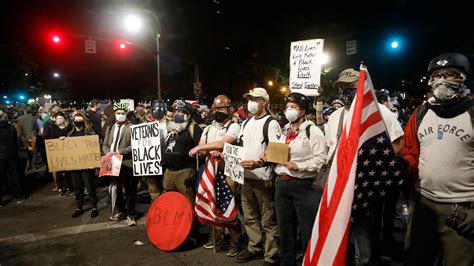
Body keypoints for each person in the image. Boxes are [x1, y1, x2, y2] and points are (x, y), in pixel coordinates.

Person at [401, 52, 474, 265]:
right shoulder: (421, 113)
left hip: (461, 209)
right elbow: (411, 153)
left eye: (450, 74)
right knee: (416, 259)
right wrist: (402, 165)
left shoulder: (471, 113)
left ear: (463, 77)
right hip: (423, 204)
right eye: (437, 75)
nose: (442, 80)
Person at [326, 68, 404, 265]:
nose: (346, 92)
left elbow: (398, 143)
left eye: (351, 87)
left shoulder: (380, 111)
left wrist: (376, 171)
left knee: (365, 236)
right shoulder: (335, 116)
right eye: (342, 88)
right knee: (339, 233)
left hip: (365, 186)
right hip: (339, 184)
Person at [270, 92, 327, 265]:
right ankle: (286, 260)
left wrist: (299, 166)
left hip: (304, 186)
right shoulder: (285, 130)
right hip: (282, 184)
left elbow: (321, 160)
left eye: (294, 107)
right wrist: (267, 155)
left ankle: (308, 261)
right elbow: (278, 153)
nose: (289, 110)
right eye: (288, 107)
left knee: (307, 229)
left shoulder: (312, 131)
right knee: (284, 227)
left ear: (303, 110)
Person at [188, 95, 241, 257]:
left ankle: (235, 242)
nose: (219, 112)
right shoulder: (208, 128)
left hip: (228, 172)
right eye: (217, 109)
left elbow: (224, 143)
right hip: (212, 172)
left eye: (222, 109)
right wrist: (203, 150)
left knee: (229, 205)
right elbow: (202, 148)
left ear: (229, 109)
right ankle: (217, 238)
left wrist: (204, 149)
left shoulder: (234, 127)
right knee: (213, 203)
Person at [236, 87, 281, 265]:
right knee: (249, 216)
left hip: (262, 178)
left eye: (256, 98)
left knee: (268, 219)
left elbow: (277, 151)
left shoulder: (271, 123)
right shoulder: (245, 123)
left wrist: (259, 163)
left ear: (264, 102)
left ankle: (271, 255)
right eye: (250, 98)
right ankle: (254, 247)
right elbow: (240, 145)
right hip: (246, 177)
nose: (251, 102)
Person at [102, 102, 137, 226]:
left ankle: (131, 214)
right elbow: (105, 144)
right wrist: (109, 153)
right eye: (118, 113)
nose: (120, 115)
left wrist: (118, 152)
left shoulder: (132, 127)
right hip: (113, 163)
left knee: (130, 190)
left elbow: (133, 146)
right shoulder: (110, 128)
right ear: (114, 114)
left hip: (127, 163)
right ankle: (121, 210)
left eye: (122, 113)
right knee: (115, 188)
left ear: (126, 114)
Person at [162, 100, 202, 201]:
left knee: (186, 201)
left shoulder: (194, 128)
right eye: (176, 112)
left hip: (184, 173)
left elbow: (201, 151)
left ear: (188, 116)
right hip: (169, 172)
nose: (177, 114)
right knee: (169, 201)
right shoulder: (171, 129)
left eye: (181, 112)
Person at [68, 112, 99, 218]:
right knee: (77, 188)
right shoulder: (70, 135)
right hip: (75, 167)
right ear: (73, 122)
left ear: (84, 121)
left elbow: (95, 149)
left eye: (80, 120)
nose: (78, 122)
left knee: (90, 188)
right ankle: (79, 207)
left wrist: (94, 163)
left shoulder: (90, 133)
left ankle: (94, 207)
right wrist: (62, 141)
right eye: (76, 121)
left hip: (87, 167)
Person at [43, 112, 73, 196]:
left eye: (61, 118)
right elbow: (51, 138)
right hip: (58, 152)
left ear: (64, 118)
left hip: (68, 151)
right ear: (55, 120)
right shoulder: (53, 127)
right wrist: (58, 139)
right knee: (59, 171)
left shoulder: (70, 127)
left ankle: (68, 187)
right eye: (58, 118)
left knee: (68, 170)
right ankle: (60, 188)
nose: (60, 120)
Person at [0, 113, 26, 205]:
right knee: (15, 176)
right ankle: (20, 196)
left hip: (1, 157)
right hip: (11, 155)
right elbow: (15, 141)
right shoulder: (12, 127)